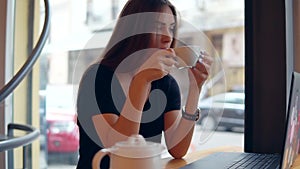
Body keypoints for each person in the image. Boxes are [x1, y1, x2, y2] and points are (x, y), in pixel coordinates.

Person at [76, 0, 213, 168]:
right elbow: (119, 148)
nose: (167, 37)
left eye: (171, 28)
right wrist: (141, 81)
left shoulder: (166, 83)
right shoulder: (97, 77)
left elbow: (178, 149)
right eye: (157, 26)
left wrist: (195, 88)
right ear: (134, 30)